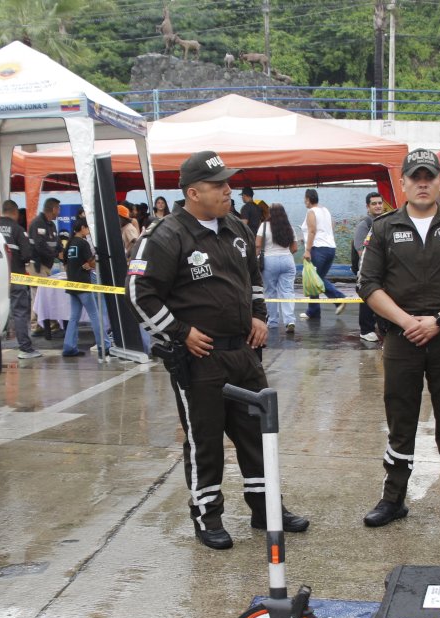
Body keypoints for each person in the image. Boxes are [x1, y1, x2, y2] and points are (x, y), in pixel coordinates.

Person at [126, 151, 309, 550]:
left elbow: (254, 278)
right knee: (205, 440)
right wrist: (179, 332)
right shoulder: (165, 235)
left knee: (257, 435)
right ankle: (208, 516)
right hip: (199, 360)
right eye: (218, 185)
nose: (228, 190)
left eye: (228, 183)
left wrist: (259, 315)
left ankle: (266, 510)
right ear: (193, 192)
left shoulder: (237, 228)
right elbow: (139, 293)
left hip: (244, 354)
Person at [357, 149, 440, 529]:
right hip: (402, 337)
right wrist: (408, 321)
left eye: (430, 177)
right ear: (403, 184)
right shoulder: (385, 227)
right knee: (400, 419)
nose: (423, 183)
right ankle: (393, 499)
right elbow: (367, 283)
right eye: (415, 177)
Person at [0, 199, 40, 359]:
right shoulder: (17, 230)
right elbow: (27, 255)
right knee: (19, 312)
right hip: (15, 276)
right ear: (15, 213)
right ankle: (25, 348)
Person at [62, 219, 111, 358]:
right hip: (83, 283)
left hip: (71, 284)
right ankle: (104, 345)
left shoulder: (70, 243)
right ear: (82, 228)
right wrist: (90, 264)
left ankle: (69, 347)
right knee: (94, 315)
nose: (88, 232)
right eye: (87, 229)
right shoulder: (83, 243)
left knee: (74, 317)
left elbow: (65, 263)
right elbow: (93, 263)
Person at [299, 188, 347, 319]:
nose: (304, 201)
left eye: (305, 199)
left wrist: (307, 250)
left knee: (315, 279)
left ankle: (339, 298)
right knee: (317, 278)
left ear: (308, 199)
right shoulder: (325, 210)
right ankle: (314, 310)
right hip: (330, 248)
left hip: (317, 249)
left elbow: (312, 231)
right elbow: (329, 228)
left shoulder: (311, 211)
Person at [256, 203, 298, 332]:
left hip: (269, 261)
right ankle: (290, 321)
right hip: (287, 260)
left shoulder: (264, 226)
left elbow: (257, 245)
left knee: (270, 292)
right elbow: (295, 248)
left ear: (270, 213)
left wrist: (254, 259)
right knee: (287, 291)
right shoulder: (289, 227)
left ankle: (273, 321)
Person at [352, 192, 385, 343]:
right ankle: (366, 330)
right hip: (368, 270)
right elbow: (361, 250)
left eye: (379, 203)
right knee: (367, 298)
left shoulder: (384, 222)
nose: (378, 206)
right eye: (374, 204)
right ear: (367, 206)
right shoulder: (364, 224)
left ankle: (381, 327)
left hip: (383, 269)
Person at [29, 198, 63, 340]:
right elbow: (39, 245)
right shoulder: (37, 223)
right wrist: (55, 254)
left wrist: (62, 252)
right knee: (39, 295)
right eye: (58, 209)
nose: (59, 212)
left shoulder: (51, 225)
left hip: (48, 265)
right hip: (37, 266)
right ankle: (36, 326)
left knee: (46, 294)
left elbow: (57, 242)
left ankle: (48, 323)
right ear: (53, 209)